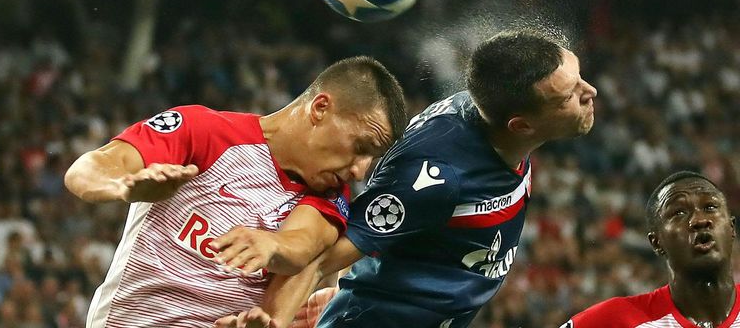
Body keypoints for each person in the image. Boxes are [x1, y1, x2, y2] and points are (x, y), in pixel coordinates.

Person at [216, 29, 598, 328]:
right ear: (522, 126)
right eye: (569, 96)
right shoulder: (436, 176)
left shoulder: (494, 104)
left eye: (579, 78)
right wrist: (277, 317)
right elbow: (318, 257)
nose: (590, 92)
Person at [63, 56, 407, 328]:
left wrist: (272, 244)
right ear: (320, 108)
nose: (361, 170)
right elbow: (86, 170)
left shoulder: (330, 193)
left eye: (371, 158)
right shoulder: (204, 131)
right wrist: (122, 186)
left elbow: (303, 244)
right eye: (361, 147)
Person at [562, 171, 739, 328]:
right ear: (656, 242)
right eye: (679, 212)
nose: (700, 220)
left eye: (710, 207)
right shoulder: (614, 320)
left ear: (732, 228)